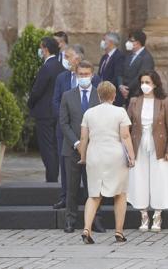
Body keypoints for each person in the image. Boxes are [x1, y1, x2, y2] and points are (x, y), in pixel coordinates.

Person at [78, 81, 136, 244]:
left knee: (94, 194)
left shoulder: (89, 113)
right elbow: (125, 136)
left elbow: (84, 137)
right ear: (114, 95)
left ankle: (86, 228)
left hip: (94, 154)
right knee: (120, 194)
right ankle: (119, 232)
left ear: (98, 96)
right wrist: (131, 156)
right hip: (115, 155)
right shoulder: (120, 112)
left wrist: (83, 157)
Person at [127, 71, 168, 232]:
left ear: (155, 83)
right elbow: (127, 126)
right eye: (142, 82)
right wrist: (127, 150)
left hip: (159, 145)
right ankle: (143, 214)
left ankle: (157, 214)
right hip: (139, 144)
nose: (144, 85)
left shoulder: (164, 102)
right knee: (139, 179)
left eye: (147, 82)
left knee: (159, 178)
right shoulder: (134, 101)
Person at [52, 45, 101, 210]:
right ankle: (66, 203)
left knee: (92, 181)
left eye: (68, 56)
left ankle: (95, 217)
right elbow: (56, 101)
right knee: (68, 175)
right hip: (68, 135)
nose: (65, 59)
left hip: (93, 142)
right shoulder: (62, 79)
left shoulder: (97, 86)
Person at [59, 61, 105, 234]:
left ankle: (96, 220)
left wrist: (90, 143)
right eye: (81, 75)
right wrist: (77, 143)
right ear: (76, 76)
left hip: (94, 149)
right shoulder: (67, 96)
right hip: (72, 149)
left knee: (93, 187)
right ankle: (70, 220)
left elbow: (103, 121)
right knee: (71, 187)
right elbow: (63, 123)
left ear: (92, 75)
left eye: (87, 74)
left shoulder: (99, 96)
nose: (84, 77)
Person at [28, 37, 66, 182]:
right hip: (55, 112)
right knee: (54, 147)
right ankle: (53, 177)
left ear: (46, 49)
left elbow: (37, 90)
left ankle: (51, 178)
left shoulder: (47, 67)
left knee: (47, 148)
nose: (40, 50)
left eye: (41, 47)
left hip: (44, 114)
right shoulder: (60, 66)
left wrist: (30, 103)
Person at [119, 30, 155, 103]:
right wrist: (121, 86)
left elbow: (141, 76)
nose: (128, 43)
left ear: (138, 42)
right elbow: (122, 71)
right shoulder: (128, 55)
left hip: (137, 94)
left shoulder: (146, 57)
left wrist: (128, 89)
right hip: (125, 94)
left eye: (131, 41)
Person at [97, 32, 125, 106]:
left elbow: (117, 75)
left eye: (104, 39)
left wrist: (106, 88)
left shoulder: (119, 56)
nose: (103, 42)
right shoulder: (104, 57)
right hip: (102, 94)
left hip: (112, 95)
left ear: (111, 42)